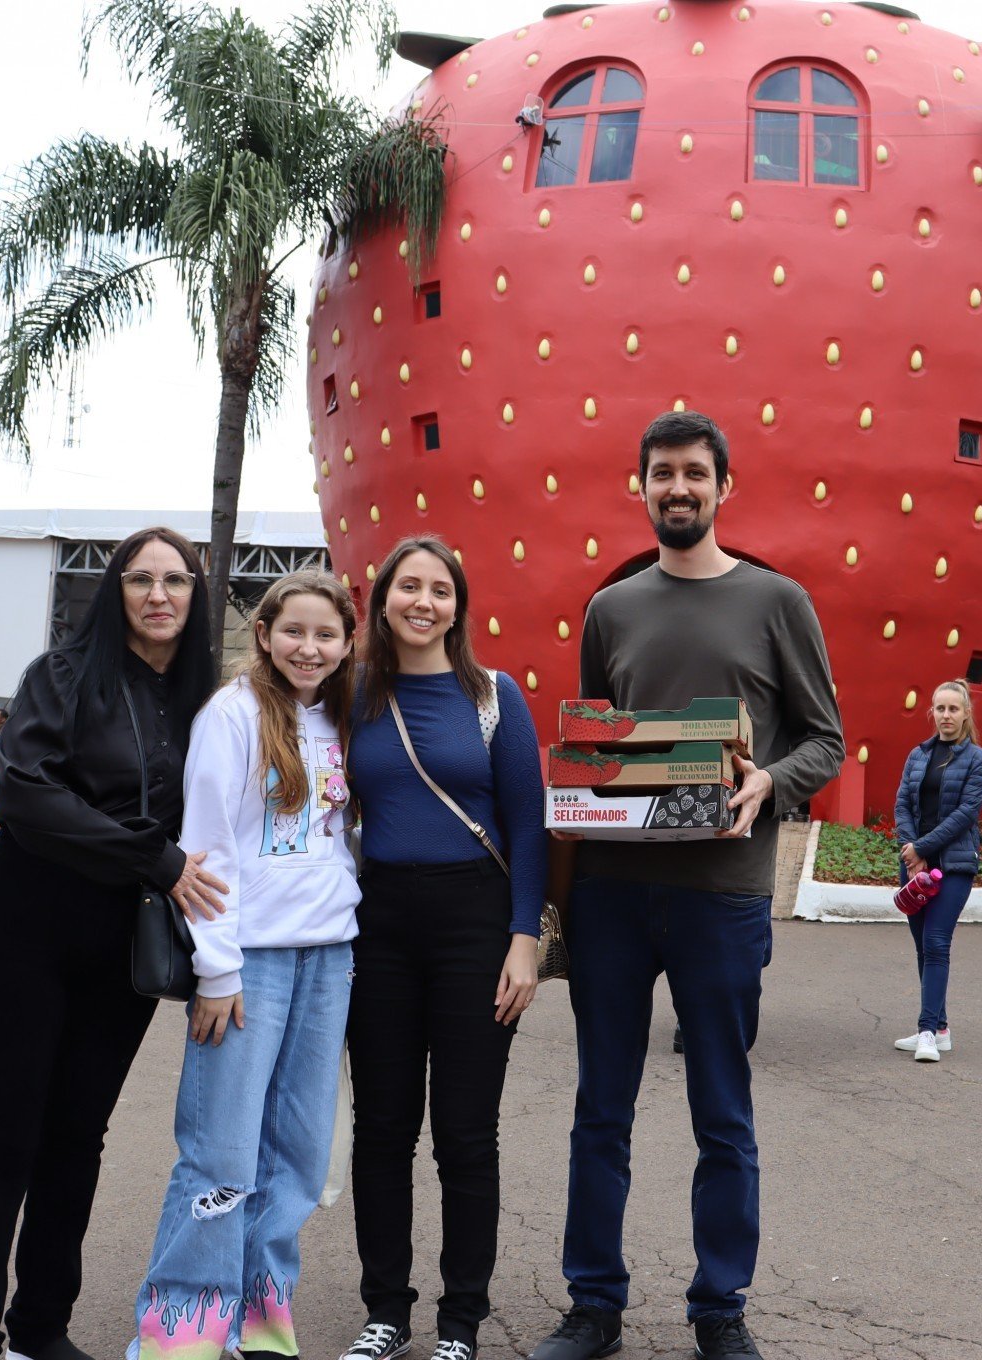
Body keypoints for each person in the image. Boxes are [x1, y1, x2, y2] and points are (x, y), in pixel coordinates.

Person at [531, 411, 844, 1360]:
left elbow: (825, 738)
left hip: (724, 893)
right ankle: (594, 1305)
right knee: (600, 1109)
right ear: (642, 486)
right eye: (662, 473)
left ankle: (720, 1308)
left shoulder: (778, 600)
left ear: (722, 486)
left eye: (695, 474)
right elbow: (595, 745)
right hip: (615, 895)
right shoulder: (611, 609)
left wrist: (769, 780)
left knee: (723, 1109)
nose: (678, 488)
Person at [0, 526, 225, 1360]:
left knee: (77, 1136)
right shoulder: (60, 676)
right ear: (116, 591)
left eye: (177, 580)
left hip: (123, 942)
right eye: (141, 578)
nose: (160, 594)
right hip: (16, 926)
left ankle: (39, 1329)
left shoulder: (208, 702)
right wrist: (155, 856)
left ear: (197, 596)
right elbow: (26, 795)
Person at [129, 568, 363, 1360]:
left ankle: (262, 1320)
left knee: (295, 1157)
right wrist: (217, 970)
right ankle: (184, 1333)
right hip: (249, 963)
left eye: (326, 633)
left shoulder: (340, 718)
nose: (310, 646)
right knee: (222, 1152)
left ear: (345, 642)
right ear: (264, 634)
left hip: (327, 960)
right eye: (294, 630)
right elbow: (208, 849)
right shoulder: (232, 715)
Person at [339, 535, 546, 1360]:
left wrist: (524, 939)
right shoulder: (351, 695)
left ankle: (461, 1322)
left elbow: (529, 823)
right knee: (383, 1127)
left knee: (466, 1130)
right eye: (408, 587)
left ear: (459, 606)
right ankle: (385, 1311)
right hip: (377, 924)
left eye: (441, 590)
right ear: (382, 596)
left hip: (475, 921)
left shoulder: (494, 696)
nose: (423, 602)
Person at [890, 681, 982, 1063]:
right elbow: (902, 803)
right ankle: (941, 1028)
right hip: (916, 866)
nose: (946, 715)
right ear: (930, 712)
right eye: (939, 709)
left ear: (966, 714)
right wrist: (911, 850)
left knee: (936, 942)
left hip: (954, 865)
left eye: (953, 709)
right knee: (922, 946)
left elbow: (965, 813)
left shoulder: (978, 759)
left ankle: (927, 1031)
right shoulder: (918, 756)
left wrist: (923, 848)